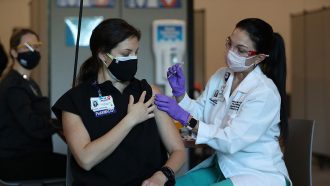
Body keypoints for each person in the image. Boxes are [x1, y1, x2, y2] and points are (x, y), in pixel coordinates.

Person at [154, 18, 291, 186]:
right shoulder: (222, 76)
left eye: (240, 50)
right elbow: (203, 113)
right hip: (224, 165)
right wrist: (181, 96)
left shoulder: (264, 93)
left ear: (259, 58)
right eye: (230, 44)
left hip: (256, 173)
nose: (230, 52)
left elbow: (230, 141)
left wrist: (185, 117)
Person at [52, 18, 185, 186]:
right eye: (125, 54)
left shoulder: (149, 92)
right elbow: (86, 160)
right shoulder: (74, 101)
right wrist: (131, 120)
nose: (133, 58)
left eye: (136, 53)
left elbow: (178, 150)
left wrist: (162, 175)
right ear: (102, 55)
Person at [0, 29, 66, 181]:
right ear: (14, 52)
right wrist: (58, 125)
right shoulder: (13, 85)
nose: (33, 51)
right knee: (78, 167)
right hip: (17, 160)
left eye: (36, 46)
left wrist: (58, 124)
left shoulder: (28, 82)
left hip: (31, 155)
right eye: (27, 47)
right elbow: (32, 124)